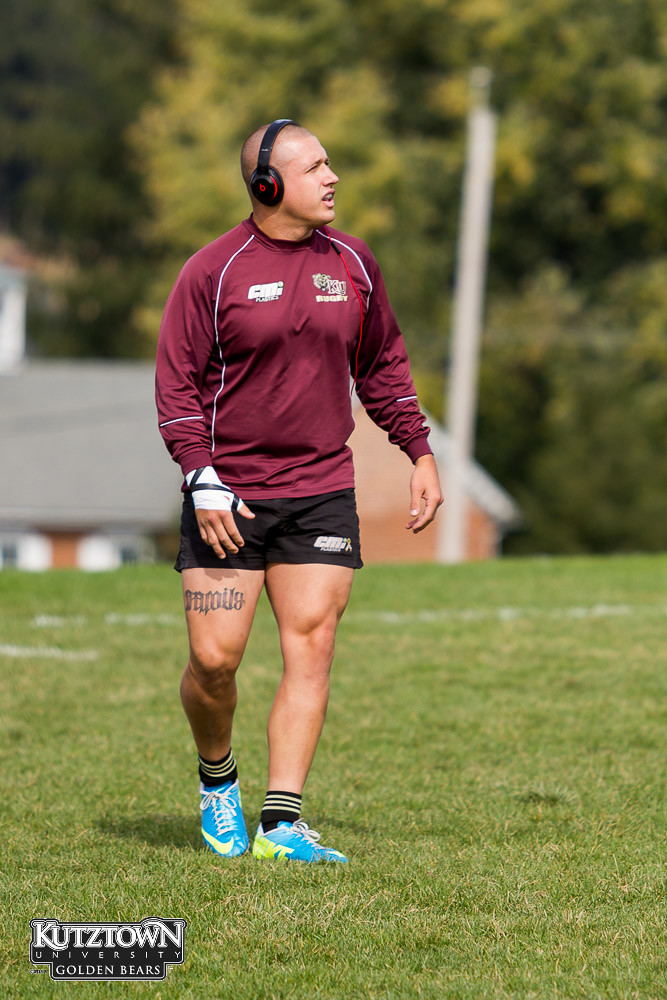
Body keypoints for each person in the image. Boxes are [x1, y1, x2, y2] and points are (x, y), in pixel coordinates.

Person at [155, 118, 443, 864]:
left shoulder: (353, 262)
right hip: (226, 497)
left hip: (319, 488)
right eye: (314, 167)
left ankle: (282, 825)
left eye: (329, 163)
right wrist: (201, 478)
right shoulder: (210, 271)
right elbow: (177, 389)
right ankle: (217, 777)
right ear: (266, 186)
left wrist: (417, 449)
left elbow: (381, 365)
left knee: (310, 645)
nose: (332, 176)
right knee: (215, 661)